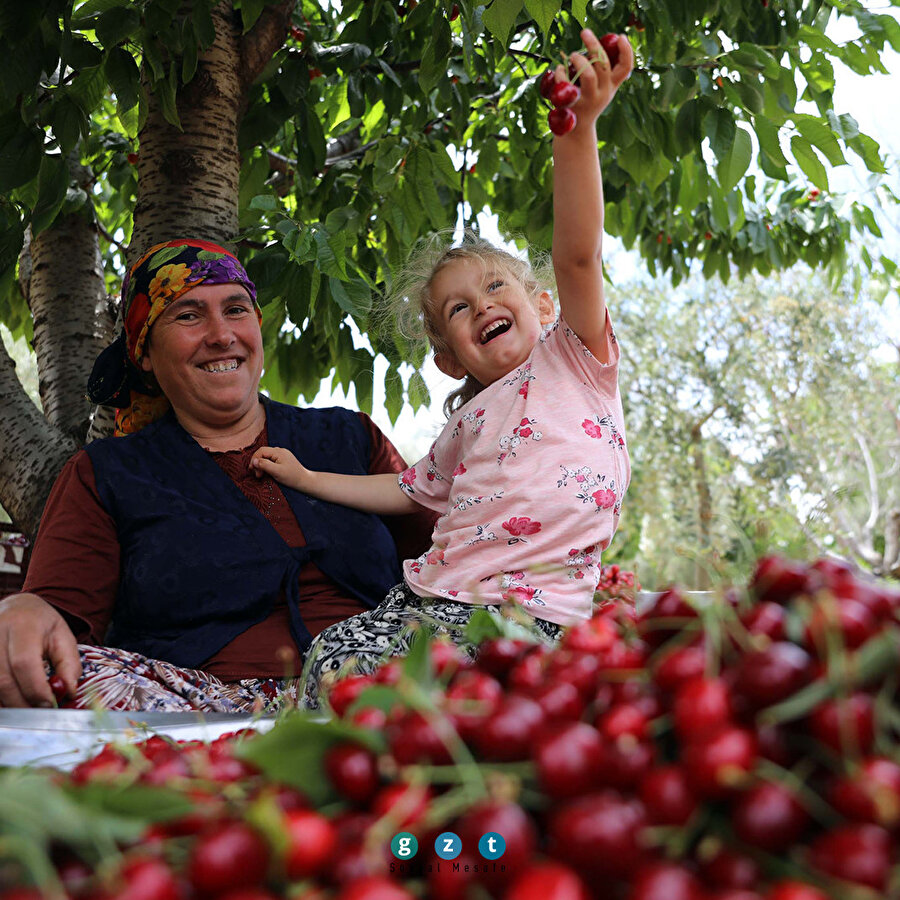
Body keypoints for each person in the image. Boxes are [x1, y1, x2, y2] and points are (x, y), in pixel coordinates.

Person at [251, 29, 634, 705]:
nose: (482, 305)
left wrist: (576, 134)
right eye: (459, 308)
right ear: (449, 358)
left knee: (508, 701)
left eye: (495, 286)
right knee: (334, 663)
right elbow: (405, 490)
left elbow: (578, 255)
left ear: (543, 305)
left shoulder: (576, 358)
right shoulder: (472, 419)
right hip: (436, 603)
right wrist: (307, 479)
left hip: (540, 618)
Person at [0, 239, 435, 711]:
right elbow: (54, 615)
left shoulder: (349, 437)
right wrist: (24, 608)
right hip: (198, 706)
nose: (222, 335)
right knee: (56, 672)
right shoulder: (106, 473)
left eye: (236, 310)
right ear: (144, 351)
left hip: (383, 688)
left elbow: (458, 549)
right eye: (188, 315)